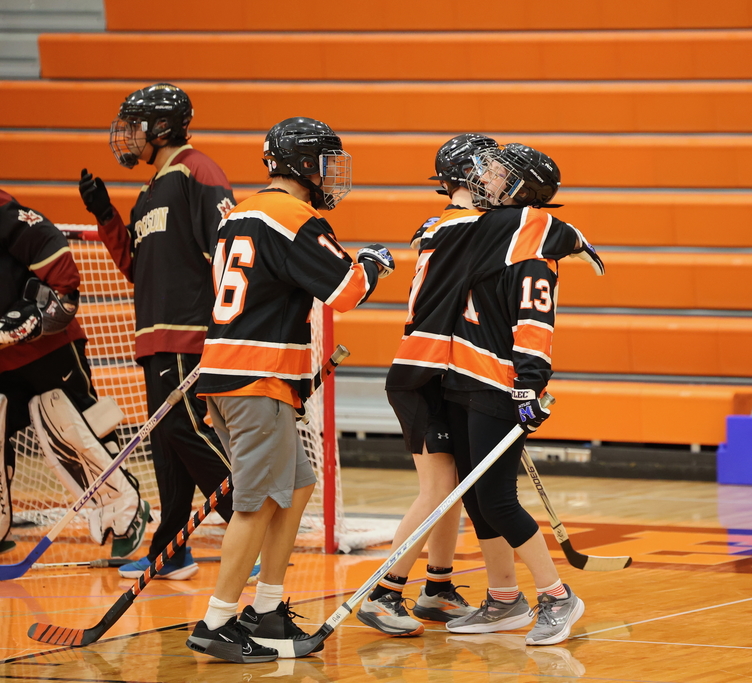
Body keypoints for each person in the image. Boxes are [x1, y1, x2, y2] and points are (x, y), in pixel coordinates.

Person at [185, 116, 396, 663]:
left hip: (241, 379)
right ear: (304, 165)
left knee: (296, 485)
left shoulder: (242, 215)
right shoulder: (291, 217)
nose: (332, 176)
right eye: (326, 163)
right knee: (255, 504)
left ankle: (270, 609)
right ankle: (217, 622)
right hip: (254, 382)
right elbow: (345, 291)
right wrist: (374, 264)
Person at [441, 143, 604, 647]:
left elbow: (535, 325)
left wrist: (529, 387)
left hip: (500, 386)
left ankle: (557, 596)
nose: (484, 177)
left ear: (520, 189)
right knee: (476, 498)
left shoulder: (530, 241)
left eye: (496, 172)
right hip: (464, 379)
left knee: (498, 499)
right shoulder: (498, 230)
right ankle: (504, 599)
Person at [79, 83, 238, 580]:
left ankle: (249, 530)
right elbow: (135, 266)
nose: (125, 137)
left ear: (160, 127)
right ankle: (171, 549)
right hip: (153, 340)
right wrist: (105, 215)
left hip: (189, 334)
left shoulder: (198, 171)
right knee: (165, 446)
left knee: (182, 430)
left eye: (134, 126)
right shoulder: (148, 193)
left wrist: (224, 326)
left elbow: (227, 248)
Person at [358, 134, 499, 637]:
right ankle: (384, 592)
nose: (501, 178)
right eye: (492, 169)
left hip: (442, 369)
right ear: (468, 176)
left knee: (453, 485)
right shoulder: (467, 226)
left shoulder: (454, 224)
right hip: (423, 371)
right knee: (438, 487)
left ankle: (438, 588)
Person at [0, 189, 149, 557]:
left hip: (47, 349)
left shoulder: (5, 211)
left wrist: (27, 319)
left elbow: (60, 275)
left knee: (76, 427)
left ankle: (124, 515)